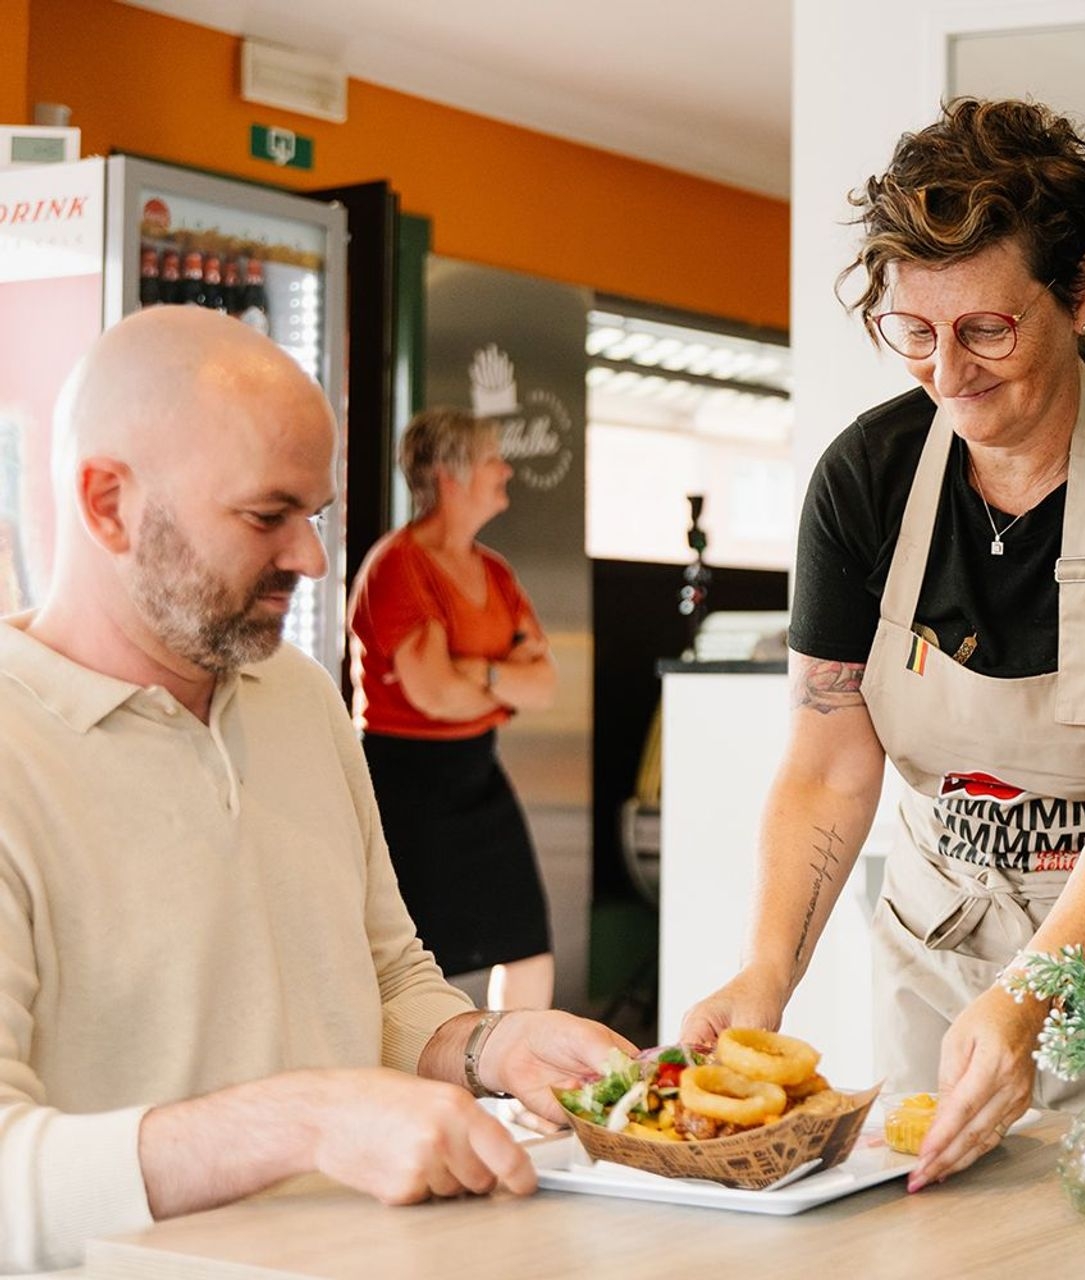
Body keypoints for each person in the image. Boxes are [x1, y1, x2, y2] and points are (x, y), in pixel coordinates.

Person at [681, 98, 1085, 1193]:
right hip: (955, 949)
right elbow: (827, 756)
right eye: (915, 331)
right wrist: (768, 969)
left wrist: (1031, 995)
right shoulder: (864, 480)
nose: (946, 370)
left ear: (1082, 290)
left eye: (986, 327)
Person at [0, 307, 634, 1274]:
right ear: (106, 504)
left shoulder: (296, 696)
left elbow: (382, 980)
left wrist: (494, 1049)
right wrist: (301, 1120)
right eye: (267, 516)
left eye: (316, 516)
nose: (311, 559)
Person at [348, 408, 556, 1011]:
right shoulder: (396, 566)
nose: (506, 469)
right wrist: (504, 677)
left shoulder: (496, 571)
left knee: (527, 941)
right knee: (411, 955)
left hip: (478, 770)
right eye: (493, 457)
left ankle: (519, 1095)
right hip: (404, 780)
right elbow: (433, 693)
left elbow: (544, 686)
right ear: (451, 475)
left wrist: (479, 671)